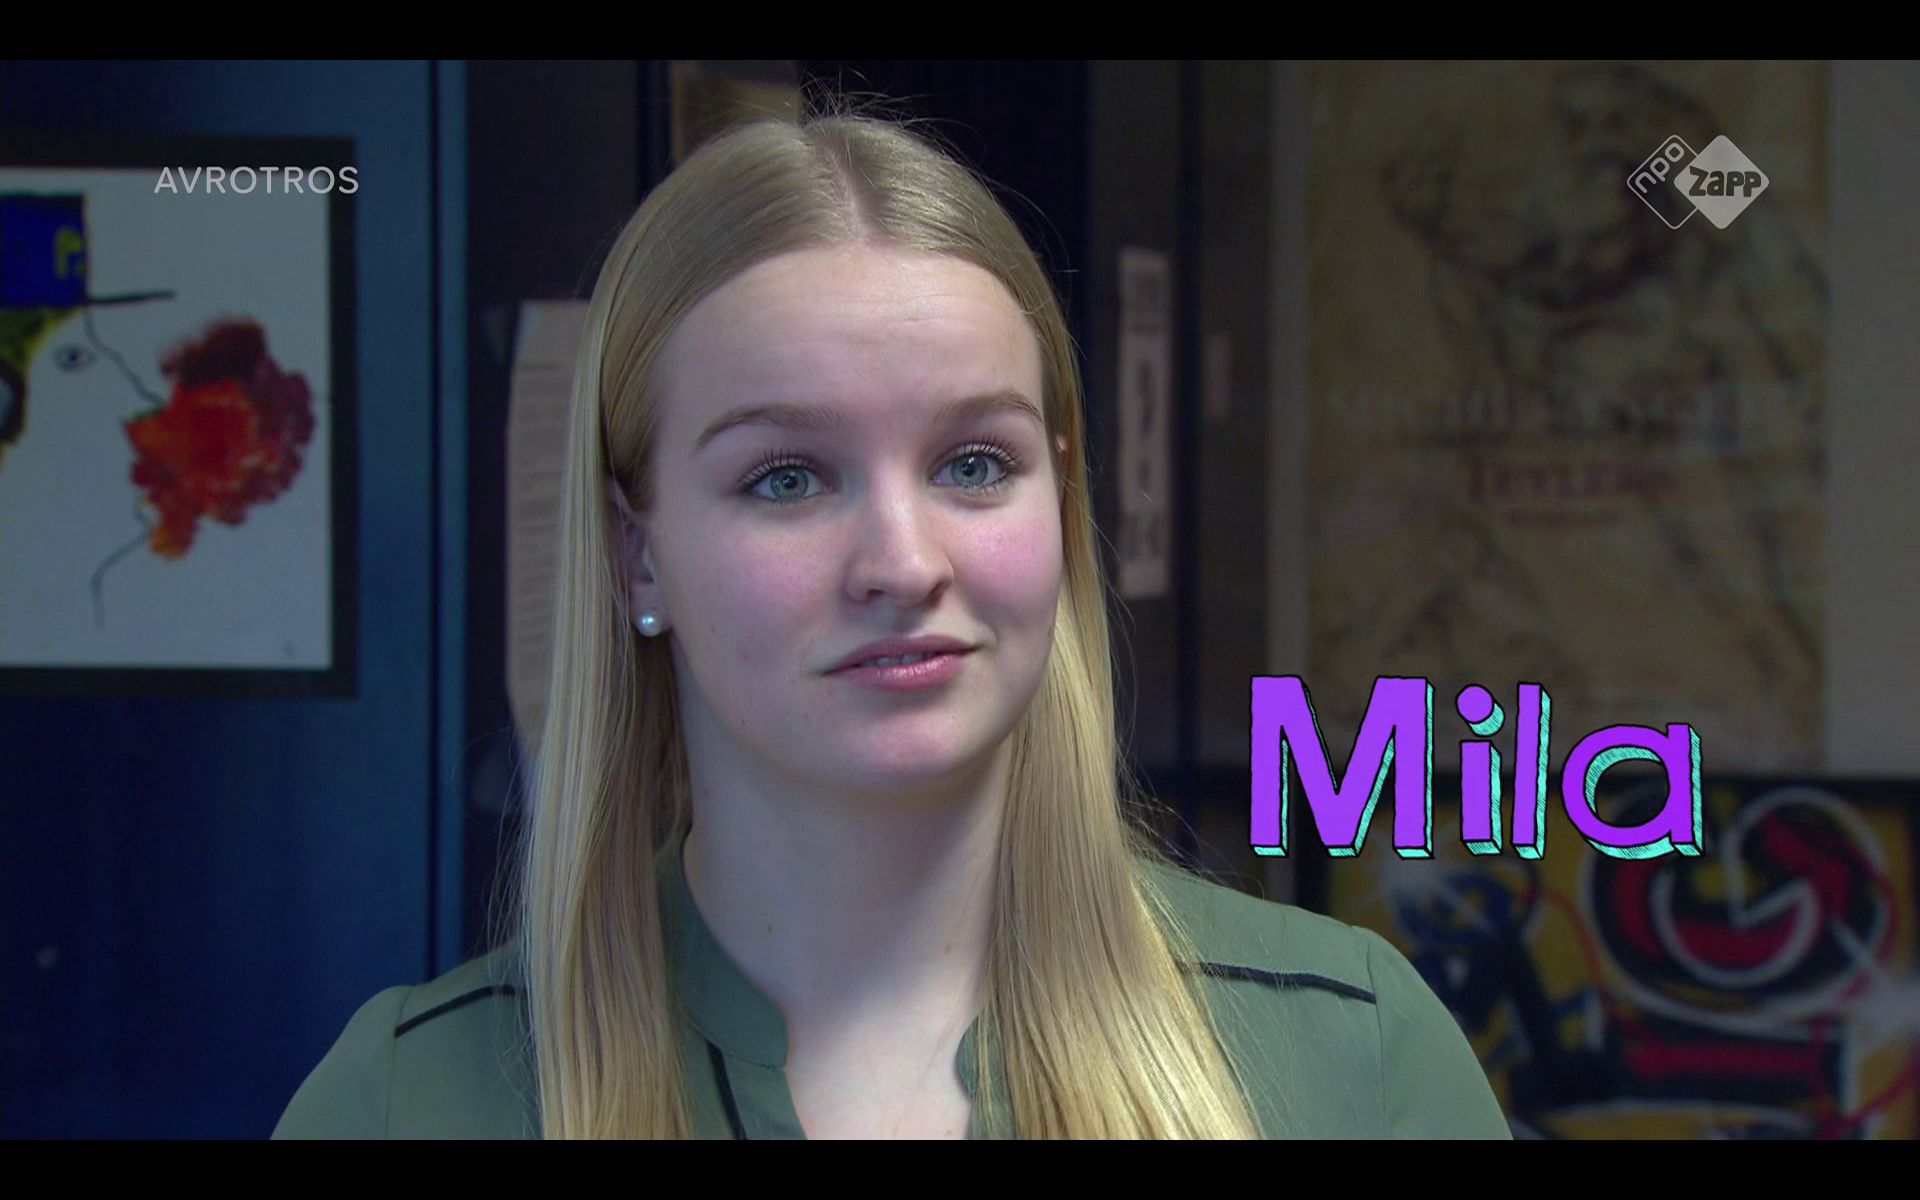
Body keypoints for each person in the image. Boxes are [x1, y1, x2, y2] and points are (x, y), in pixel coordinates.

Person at [273, 108, 1512, 1140]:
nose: (904, 563)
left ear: (1062, 500)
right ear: (636, 551)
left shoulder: (1354, 1063)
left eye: (974, 464)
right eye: (786, 478)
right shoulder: (406, 1103)